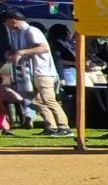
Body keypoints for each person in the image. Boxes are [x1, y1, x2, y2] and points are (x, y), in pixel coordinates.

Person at [3, 9, 72, 137]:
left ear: (13, 21)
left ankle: (64, 127)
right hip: (28, 72)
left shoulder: (32, 31)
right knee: (36, 100)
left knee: (48, 99)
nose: (5, 24)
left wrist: (22, 52)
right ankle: (51, 126)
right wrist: (10, 53)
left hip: (42, 71)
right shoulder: (15, 34)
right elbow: (17, 50)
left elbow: (44, 47)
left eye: (5, 21)